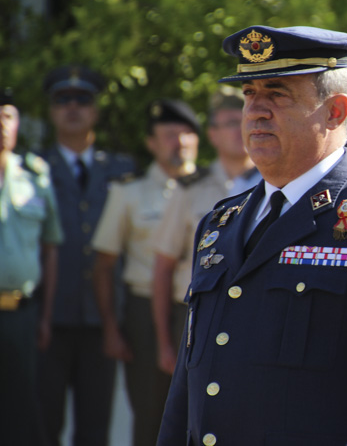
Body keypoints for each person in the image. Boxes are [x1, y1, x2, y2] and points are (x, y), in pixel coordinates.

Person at [157, 25, 347, 446]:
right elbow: (189, 388)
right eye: (249, 94)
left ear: (335, 111)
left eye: (277, 94)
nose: (256, 110)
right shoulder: (220, 223)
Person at [36, 65, 137, 446]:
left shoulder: (123, 170)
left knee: (95, 429)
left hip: (103, 320)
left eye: (82, 100)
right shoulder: (32, 169)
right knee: (42, 424)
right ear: (51, 110)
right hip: (47, 319)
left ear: (95, 110)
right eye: (63, 100)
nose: (73, 107)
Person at [92, 99, 200, 446]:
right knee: (151, 414)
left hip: (201, 310)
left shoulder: (219, 188)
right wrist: (111, 327)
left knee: (202, 411)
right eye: (169, 134)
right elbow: (104, 264)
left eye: (187, 134)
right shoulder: (128, 192)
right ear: (151, 143)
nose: (179, 142)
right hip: (144, 313)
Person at [150, 86, 259, 378]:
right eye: (230, 123)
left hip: (254, 316)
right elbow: (163, 267)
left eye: (245, 119)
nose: (240, 130)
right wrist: (163, 343)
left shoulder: (277, 186)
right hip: (195, 316)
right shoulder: (189, 188)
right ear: (212, 135)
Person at [0, 88, 62, 446]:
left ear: (17, 123)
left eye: (6, 116)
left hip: (20, 315)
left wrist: (45, 317)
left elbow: (50, 248)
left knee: (21, 417)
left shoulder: (36, 175)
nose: (1, 125)